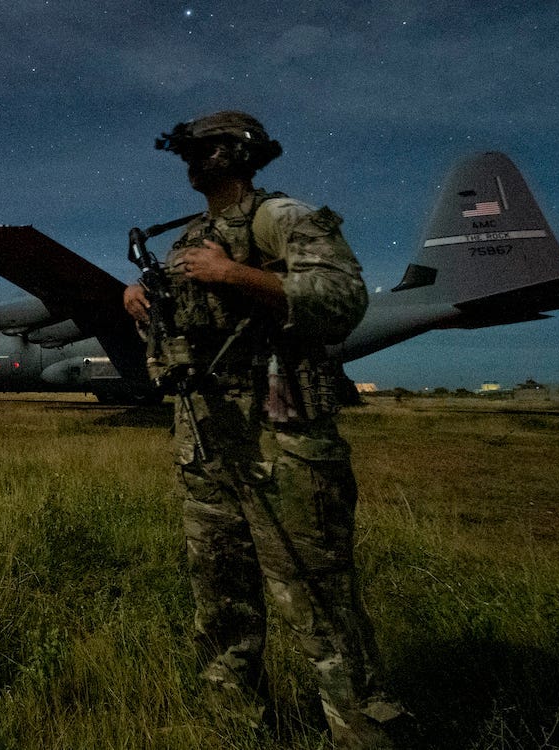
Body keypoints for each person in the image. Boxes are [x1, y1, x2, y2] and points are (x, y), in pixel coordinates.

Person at [122, 111, 402, 749]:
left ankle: (364, 735)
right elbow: (179, 337)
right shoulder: (185, 240)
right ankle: (235, 730)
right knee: (220, 606)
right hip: (207, 445)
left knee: (320, 608)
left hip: (284, 448)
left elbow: (343, 300)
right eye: (190, 151)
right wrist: (138, 305)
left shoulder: (283, 217)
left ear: (235, 153)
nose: (193, 162)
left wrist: (237, 275)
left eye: (205, 149)